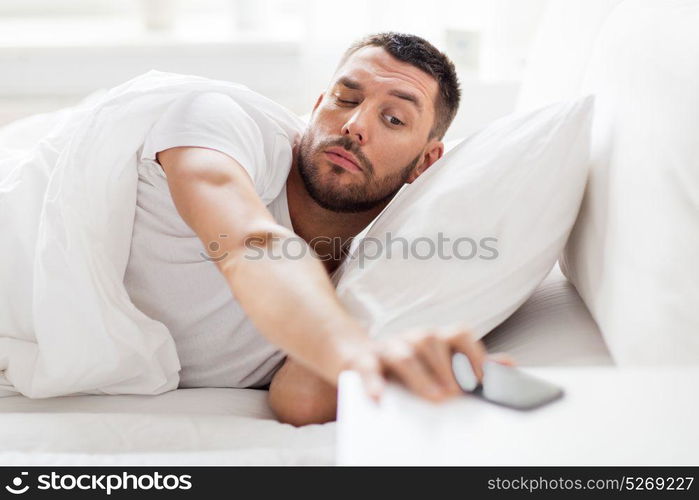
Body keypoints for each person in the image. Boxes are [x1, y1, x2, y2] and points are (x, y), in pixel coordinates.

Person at [123, 32, 512, 427]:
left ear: (425, 163)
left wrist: (388, 352)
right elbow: (247, 244)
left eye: (393, 119)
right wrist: (352, 351)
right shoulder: (222, 123)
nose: (355, 125)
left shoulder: (377, 263)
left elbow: (302, 402)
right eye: (345, 99)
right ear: (316, 106)